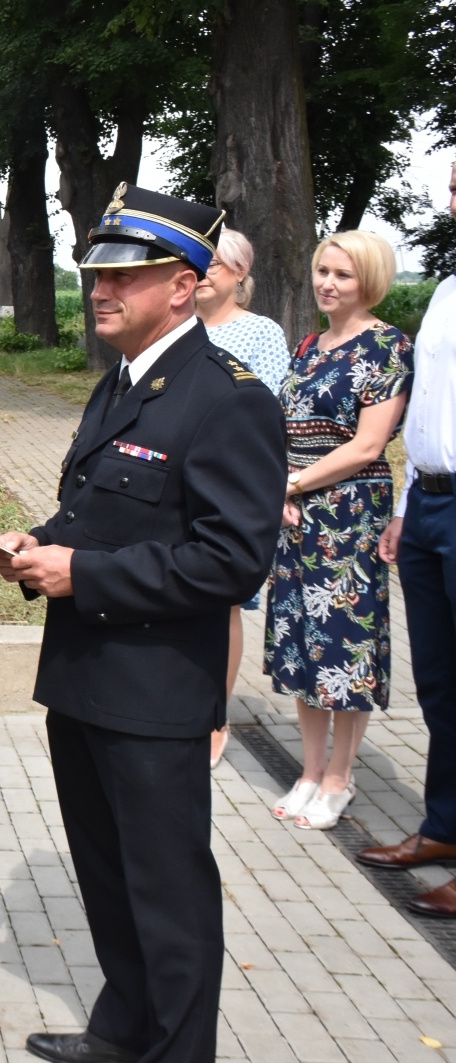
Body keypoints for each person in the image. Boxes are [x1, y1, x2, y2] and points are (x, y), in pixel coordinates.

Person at [0, 183, 285, 1063]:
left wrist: (81, 573)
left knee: (168, 895)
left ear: (185, 286)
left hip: (156, 692)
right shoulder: (122, 382)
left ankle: (177, 1054)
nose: (101, 291)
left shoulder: (228, 396)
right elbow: (96, 512)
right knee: (109, 880)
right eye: (97, 275)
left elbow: (232, 560)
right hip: (85, 678)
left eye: (129, 275)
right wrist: (38, 543)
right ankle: (124, 1030)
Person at [264, 230, 411, 831]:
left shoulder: (389, 346)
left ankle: (339, 778)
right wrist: (280, 488)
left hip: (350, 511)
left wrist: (293, 486)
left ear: (369, 281)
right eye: (322, 270)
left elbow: (369, 444)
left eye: (342, 275)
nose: (328, 283)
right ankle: (308, 769)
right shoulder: (309, 345)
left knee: (345, 645)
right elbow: (282, 429)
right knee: (302, 642)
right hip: (295, 510)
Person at [356, 160, 456, 915]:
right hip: (429, 506)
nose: (450, 197)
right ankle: (444, 826)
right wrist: (408, 504)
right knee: (441, 685)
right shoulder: (449, 291)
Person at [194, 227, 290, 769]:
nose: (206, 272)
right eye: (200, 263)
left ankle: (215, 716)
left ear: (239, 275)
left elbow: (269, 418)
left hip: (227, 481)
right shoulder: (175, 326)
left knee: (223, 601)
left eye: (218, 264)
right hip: (173, 481)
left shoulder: (261, 334)